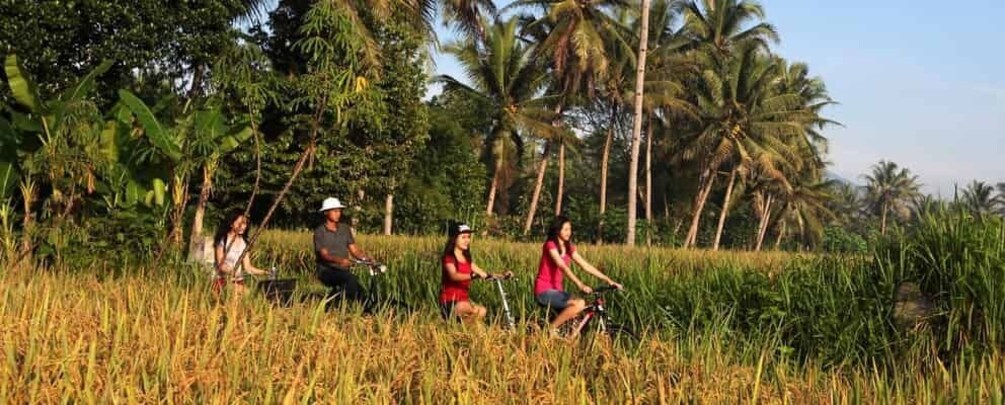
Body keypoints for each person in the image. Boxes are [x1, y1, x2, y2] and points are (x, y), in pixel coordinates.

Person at [534, 215, 622, 336]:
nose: (568, 232)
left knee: (577, 316)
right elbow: (562, 266)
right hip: (544, 291)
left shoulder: (569, 247)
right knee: (579, 303)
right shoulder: (550, 245)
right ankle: (549, 330)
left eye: (569, 229)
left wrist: (608, 280)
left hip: (557, 291)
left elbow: (585, 265)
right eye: (565, 229)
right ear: (557, 229)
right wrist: (580, 284)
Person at [439, 222, 512, 323]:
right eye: (463, 237)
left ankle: (458, 330)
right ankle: (452, 324)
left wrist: (502, 275)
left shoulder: (467, 259)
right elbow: (453, 275)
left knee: (482, 311)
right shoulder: (449, 257)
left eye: (468, 237)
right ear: (454, 238)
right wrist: (472, 276)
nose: (467, 240)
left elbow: (483, 273)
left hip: (463, 301)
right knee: (468, 307)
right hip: (449, 301)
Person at [313, 197, 373, 307]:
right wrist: (340, 261)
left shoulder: (345, 229)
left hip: (343, 270)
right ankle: (335, 304)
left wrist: (366, 259)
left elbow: (354, 250)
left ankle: (365, 307)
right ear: (326, 212)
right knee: (350, 280)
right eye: (334, 211)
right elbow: (324, 255)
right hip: (326, 271)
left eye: (339, 211)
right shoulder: (320, 232)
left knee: (359, 288)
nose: (338, 214)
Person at [213, 211, 269, 296]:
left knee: (248, 296)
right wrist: (231, 271)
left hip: (238, 281)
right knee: (246, 293)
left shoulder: (244, 243)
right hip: (223, 280)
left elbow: (248, 267)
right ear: (231, 224)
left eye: (244, 224)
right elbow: (220, 264)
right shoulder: (223, 240)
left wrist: (264, 272)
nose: (242, 226)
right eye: (239, 223)